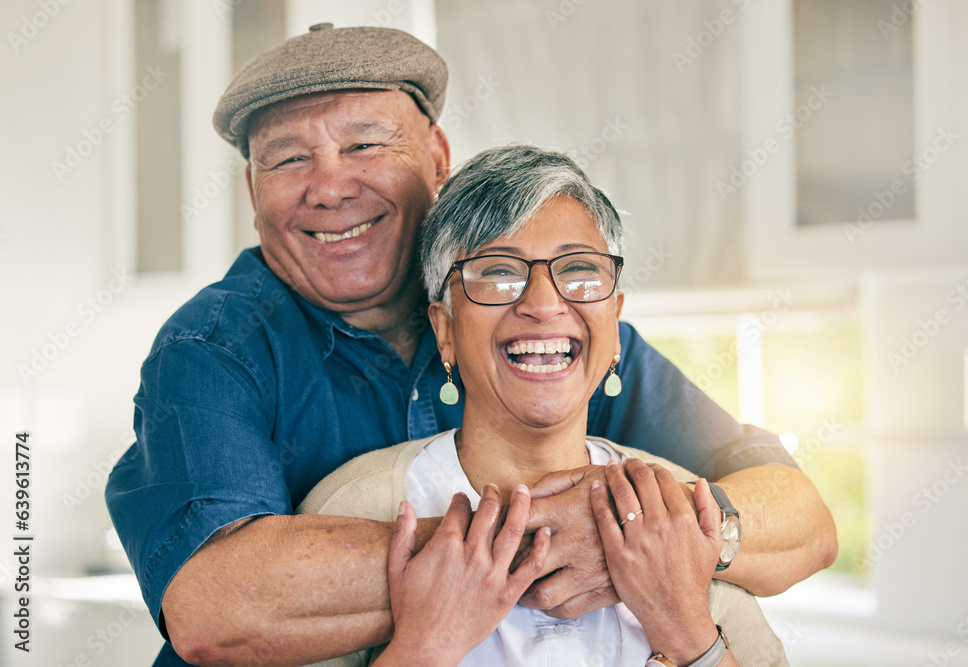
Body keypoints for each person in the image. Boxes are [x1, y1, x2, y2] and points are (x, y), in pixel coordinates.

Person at [104, 24, 836, 667]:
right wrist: (557, 538)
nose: (329, 186)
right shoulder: (212, 348)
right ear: (251, 189)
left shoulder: (549, 327)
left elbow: (802, 519)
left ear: (437, 156)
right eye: (288, 159)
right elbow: (214, 607)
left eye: (364, 143)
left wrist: (661, 538)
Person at [299, 144, 790, 667]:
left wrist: (687, 630)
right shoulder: (356, 508)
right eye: (498, 272)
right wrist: (426, 648)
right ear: (444, 330)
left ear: (614, 321)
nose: (543, 303)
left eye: (579, 269)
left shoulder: (672, 508)